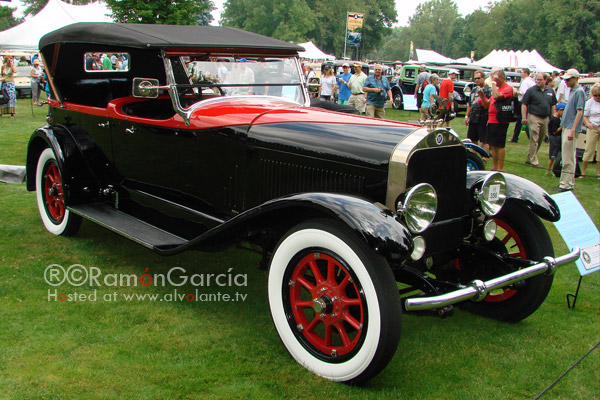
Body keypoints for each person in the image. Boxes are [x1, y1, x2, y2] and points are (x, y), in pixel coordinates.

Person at [557, 69, 586, 192]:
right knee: (568, 156)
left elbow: (580, 112)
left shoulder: (579, 92)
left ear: (575, 78)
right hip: (567, 126)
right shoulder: (573, 91)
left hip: (571, 127)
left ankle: (566, 184)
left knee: (568, 157)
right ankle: (567, 182)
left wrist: (573, 129)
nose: (566, 82)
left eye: (568, 79)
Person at [521, 72, 557, 167]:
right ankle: (534, 161)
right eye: (537, 79)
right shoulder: (531, 90)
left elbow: (553, 104)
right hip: (533, 116)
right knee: (534, 138)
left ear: (545, 80)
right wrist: (524, 117)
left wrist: (552, 117)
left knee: (540, 139)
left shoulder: (550, 90)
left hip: (545, 117)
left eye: (540, 80)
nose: (538, 81)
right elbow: (524, 104)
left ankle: (529, 157)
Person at [487, 69, 514, 172]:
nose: (493, 80)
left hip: (500, 120)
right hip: (492, 119)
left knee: (499, 145)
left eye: (496, 78)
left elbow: (497, 96)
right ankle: (494, 166)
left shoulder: (507, 88)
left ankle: (500, 168)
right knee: (493, 144)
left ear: (502, 78)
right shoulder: (497, 88)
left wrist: (493, 83)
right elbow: (490, 101)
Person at [464, 70, 491, 149]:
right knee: (472, 138)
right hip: (473, 117)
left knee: (484, 139)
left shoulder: (488, 90)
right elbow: (470, 104)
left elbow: (489, 105)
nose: (477, 80)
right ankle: (475, 154)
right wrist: (466, 116)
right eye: (475, 78)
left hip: (483, 116)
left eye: (478, 78)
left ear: (483, 78)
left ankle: (484, 157)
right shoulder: (474, 90)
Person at [510, 68, 535, 143]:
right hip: (529, 102)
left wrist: (516, 92)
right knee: (520, 120)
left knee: (523, 120)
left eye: (522, 72)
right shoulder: (531, 81)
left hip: (523, 102)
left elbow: (524, 92)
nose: (521, 74)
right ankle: (515, 137)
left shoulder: (525, 81)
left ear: (526, 73)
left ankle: (530, 137)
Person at [581, 83, 600, 178]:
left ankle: (598, 173)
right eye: (595, 95)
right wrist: (587, 123)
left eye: (599, 95)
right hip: (592, 128)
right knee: (589, 149)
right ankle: (583, 172)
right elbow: (585, 116)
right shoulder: (590, 102)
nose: (597, 97)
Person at [546, 103, 564, 175]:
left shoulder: (556, 119)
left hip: (557, 139)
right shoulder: (555, 120)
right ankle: (548, 170)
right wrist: (562, 126)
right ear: (559, 110)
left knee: (555, 155)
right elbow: (554, 132)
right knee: (553, 155)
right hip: (555, 139)